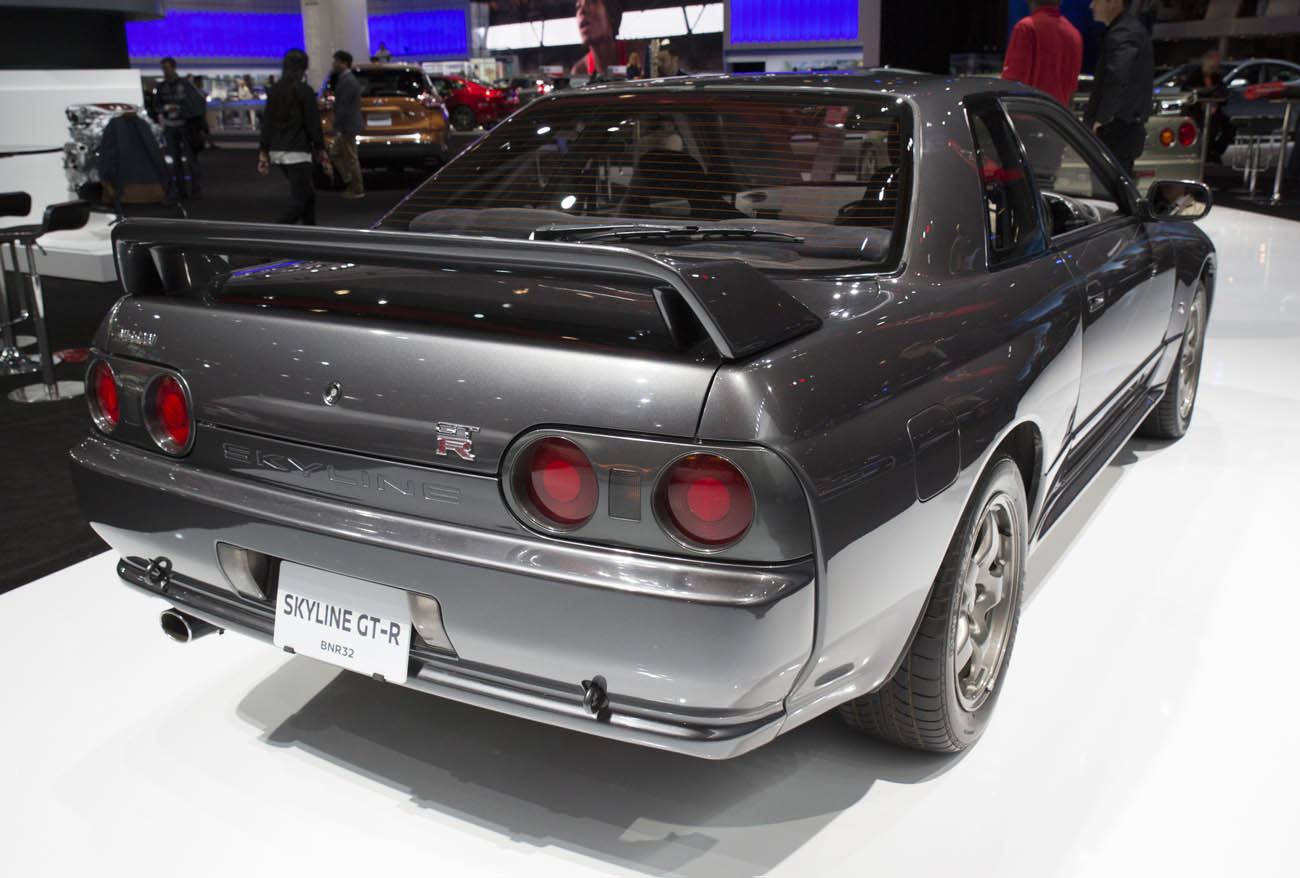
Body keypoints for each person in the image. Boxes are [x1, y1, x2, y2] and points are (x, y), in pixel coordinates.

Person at [258, 49, 332, 225]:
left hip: (278, 150)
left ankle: (309, 236)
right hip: (298, 151)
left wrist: (263, 151)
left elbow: (267, 122)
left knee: (308, 196)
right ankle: (273, 235)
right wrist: (321, 149)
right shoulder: (305, 91)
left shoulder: (274, 91)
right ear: (303, 67)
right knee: (300, 202)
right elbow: (312, 124)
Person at [1084, 0, 1154, 176]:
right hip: (1123, 128)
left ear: (1113, 2)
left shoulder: (1123, 32)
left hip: (1116, 131)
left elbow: (1118, 77)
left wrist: (1102, 118)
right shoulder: (1130, 29)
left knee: (1107, 191)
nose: (1091, 6)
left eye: (1096, 1)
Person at [1001, 1, 1084, 107]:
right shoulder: (1074, 34)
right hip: (1056, 119)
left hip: (1026, 118)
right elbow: (1071, 93)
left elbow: (1010, 85)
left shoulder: (1025, 28)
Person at [151, 57, 206, 197]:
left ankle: (196, 190)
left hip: (185, 125)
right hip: (170, 127)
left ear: (174, 68)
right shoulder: (161, 86)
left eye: (167, 68)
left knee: (191, 159)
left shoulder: (185, 84)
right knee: (175, 161)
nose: (165, 71)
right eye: (163, 68)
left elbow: (197, 102)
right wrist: (165, 108)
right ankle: (181, 191)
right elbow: (156, 106)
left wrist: (181, 109)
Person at [1184, 49, 1234, 163]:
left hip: (1215, 111)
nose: (1215, 69)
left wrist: (1216, 95)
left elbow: (1223, 93)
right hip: (1199, 112)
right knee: (1207, 127)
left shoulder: (1216, 77)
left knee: (1229, 127)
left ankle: (1214, 151)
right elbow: (1188, 92)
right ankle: (1204, 152)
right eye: (1213, 66)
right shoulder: (1195, 76)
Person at [329, 50, 365, 199]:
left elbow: (343, 106)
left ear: (343, 63)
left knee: (350, 157)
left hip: (347, 126)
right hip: (347, 125)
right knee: (336, 153)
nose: (333, 64)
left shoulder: (348, 81)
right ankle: (350, 181)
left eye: (336, 61)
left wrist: (336, 126)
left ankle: (357, 188)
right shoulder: (346, 79)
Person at [571, 0, 626, 76]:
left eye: (592, 2)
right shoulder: (580, 70)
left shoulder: (638, 56)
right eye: (578, 7)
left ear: (611, 13)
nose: (581, 11)